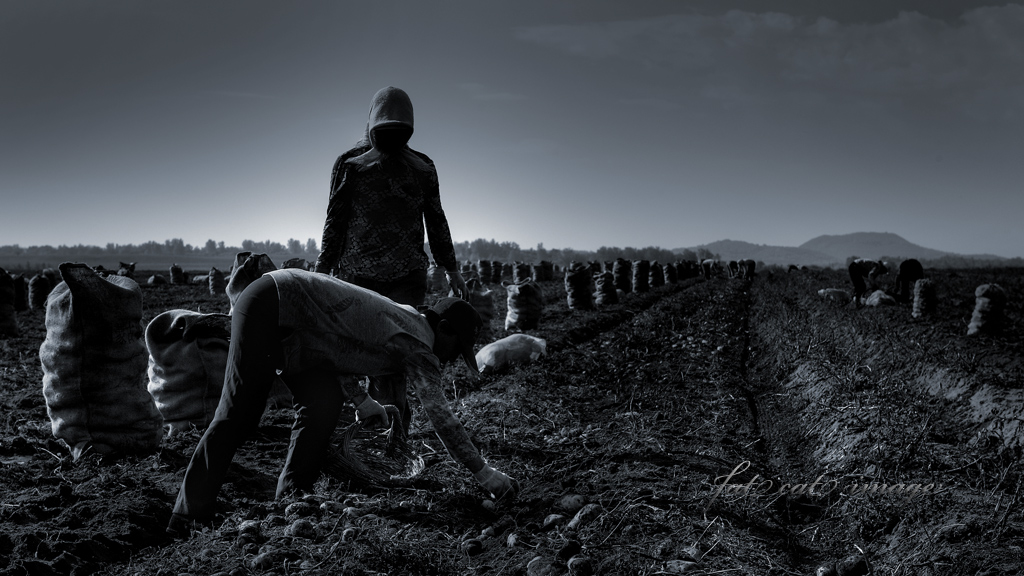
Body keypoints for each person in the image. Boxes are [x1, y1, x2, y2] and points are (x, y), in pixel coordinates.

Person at [167, 269, 517, 537]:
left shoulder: (406, 319)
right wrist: (483, 473)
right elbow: (441, 416)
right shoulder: (418, 344)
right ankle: (187, 516)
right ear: (444, 328)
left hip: (296, 321)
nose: (453, 359)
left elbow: (338, 347)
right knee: (239, 413)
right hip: (274, 301)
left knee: (322, 402)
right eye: (457, 350)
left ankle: (291, 500)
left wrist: (362, 399)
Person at [313, 86, 470, 432]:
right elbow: (335, 220)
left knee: (391, 359)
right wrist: (322, 272)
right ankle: (367, 430)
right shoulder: (352, 165)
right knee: (363, 355)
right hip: (363, 280)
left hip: (394, 279)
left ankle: (390, 436)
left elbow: (435, 218)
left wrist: (452, 266)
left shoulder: (421, 167)